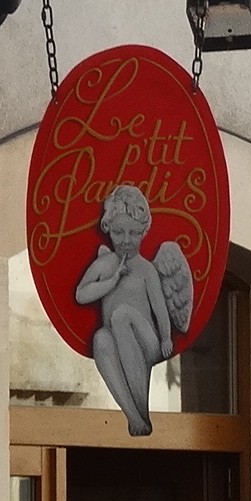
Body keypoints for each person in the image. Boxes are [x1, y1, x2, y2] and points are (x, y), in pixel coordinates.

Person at [74, 184, 192, 434]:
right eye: (118, 232)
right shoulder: (105, 265)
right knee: (101, 338)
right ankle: (134, 417)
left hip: (146, 341)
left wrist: (166, 337)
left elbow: (160, 308)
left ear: (143, 232)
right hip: (116, 341)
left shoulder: (146, 270)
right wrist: (111, 282)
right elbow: (81, 294)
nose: (126, 240)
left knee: (122, 315)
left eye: (133, 233)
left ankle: (142, 408)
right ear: (108, 229)